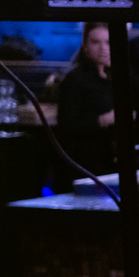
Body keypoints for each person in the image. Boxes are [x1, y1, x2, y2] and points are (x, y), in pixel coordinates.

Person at [56, 21, 116, 177]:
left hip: (113, 158)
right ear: (86, 46)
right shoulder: (74, 79)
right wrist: (103, 120)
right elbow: (67, 126)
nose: (103, 48)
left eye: (108, 42)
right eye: (96, 42)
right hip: (85, 161)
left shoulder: (116, 76)